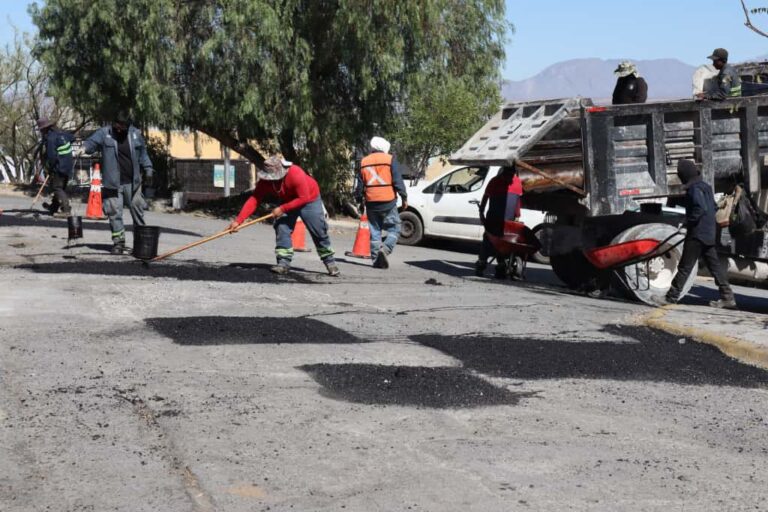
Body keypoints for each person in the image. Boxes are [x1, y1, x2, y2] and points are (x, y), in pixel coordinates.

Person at [229, 156, 340, 277]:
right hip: (288, 199)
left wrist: (282, 208)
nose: (271, 180)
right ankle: (283, 263)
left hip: (309, 199)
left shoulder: (295, 173)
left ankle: (330, 261)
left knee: (318, 230)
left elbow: (304, 198)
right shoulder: (265, 182)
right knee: (281, 227)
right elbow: (254, 199)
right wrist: (238, 221)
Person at [661, 159, 737, 309]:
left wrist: (688, 223)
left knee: (685, 266)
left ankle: (671, 297)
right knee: (715, 267)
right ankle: (728, 297)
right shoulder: (706, 187)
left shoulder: (694, 189)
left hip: (697, 234)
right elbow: (713, 207)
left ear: (684, 175)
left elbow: (700, 208)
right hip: (709, 233)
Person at [78, 112, 155, 254]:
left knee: (137, 210)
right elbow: (92, 142)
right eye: (116, 126)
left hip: (133, 183)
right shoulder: (104, 133)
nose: (118, 130)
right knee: (114, 213)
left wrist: (148, 169)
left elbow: (143, 154)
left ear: (128, 126)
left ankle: (141, 243)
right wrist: (84, 148)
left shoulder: (136, 134)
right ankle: (118, 243)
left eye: (122, 127)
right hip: (112, 183)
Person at [354, 137, 408, 269]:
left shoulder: (363, 161)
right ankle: (386, 249)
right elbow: (397, 180)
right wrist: (404, 197)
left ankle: (375, 260)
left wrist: (359, 201)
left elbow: (360, 186)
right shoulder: (390, 159)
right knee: (395, 228)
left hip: (371, 201)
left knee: (375, 231)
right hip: (388, 201)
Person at [475, 165, 523, 279]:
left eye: (511, 175)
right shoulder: (496, 181)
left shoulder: (514, 182)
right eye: (508, 175)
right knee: (493, 242)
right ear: (503, 173)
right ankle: (484, 264)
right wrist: (481, 212)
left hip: (505, 221)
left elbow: (517, 202)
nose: (510, 178)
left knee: (500, 244)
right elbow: (486, 197)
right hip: (494, 220)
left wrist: (517, 216)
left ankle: (497, 267)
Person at [37, 118, 74, 218]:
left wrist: (51, 168)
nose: (41, 132)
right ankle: (54, 207)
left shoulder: (51, 139)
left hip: (60, 166)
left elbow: (52, 156)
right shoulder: (62, 133)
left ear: (45, 129)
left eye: (41, 130)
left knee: (57, 187)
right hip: (68, 165)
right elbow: (72, 138)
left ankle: (66, 210)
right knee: (60, 187)